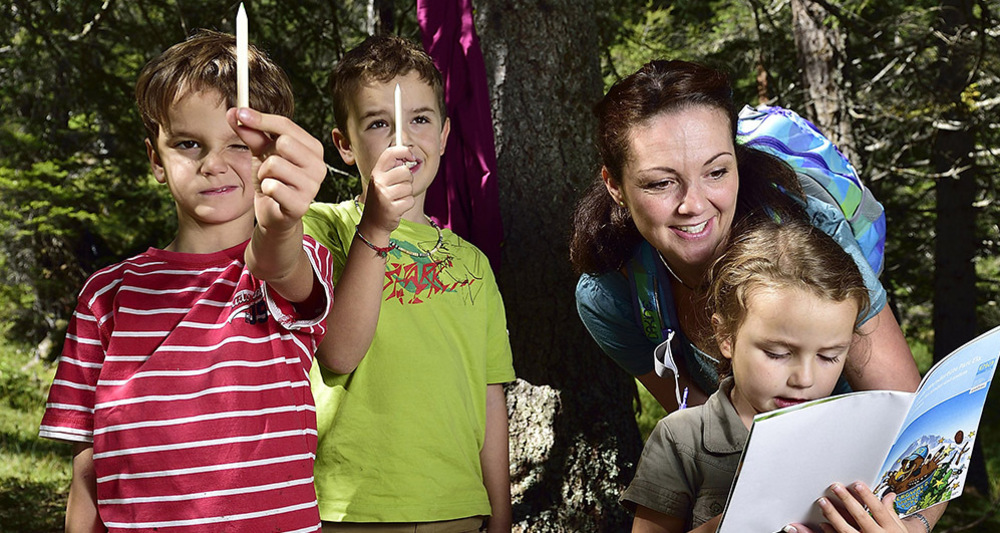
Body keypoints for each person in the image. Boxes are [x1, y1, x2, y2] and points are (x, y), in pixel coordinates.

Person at [37, 30, 379, 532]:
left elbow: (279, 265)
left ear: (271, 155)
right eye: (188, 143)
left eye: (240, 145)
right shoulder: (106, 294)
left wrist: (282, 223)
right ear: (156, 158)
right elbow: (90, 463)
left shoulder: (297, 255)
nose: (213, 163)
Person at [302, 34, 515, 532]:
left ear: (443, 135)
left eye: (420, 119)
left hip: (458, 507)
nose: (403, 141)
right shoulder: (319, 228)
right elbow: (336, 353)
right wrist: (375, 228)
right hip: (351, 509)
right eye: (379, 123)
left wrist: (501, 515)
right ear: (345, 144)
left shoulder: (473, 264)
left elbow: (490, 395)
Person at [624, 218, 927, 533]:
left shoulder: (858, 437)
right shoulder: (682, 440)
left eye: (829, 356)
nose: (804, 378)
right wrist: (743, 516)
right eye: (778, 354)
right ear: (726, 335)